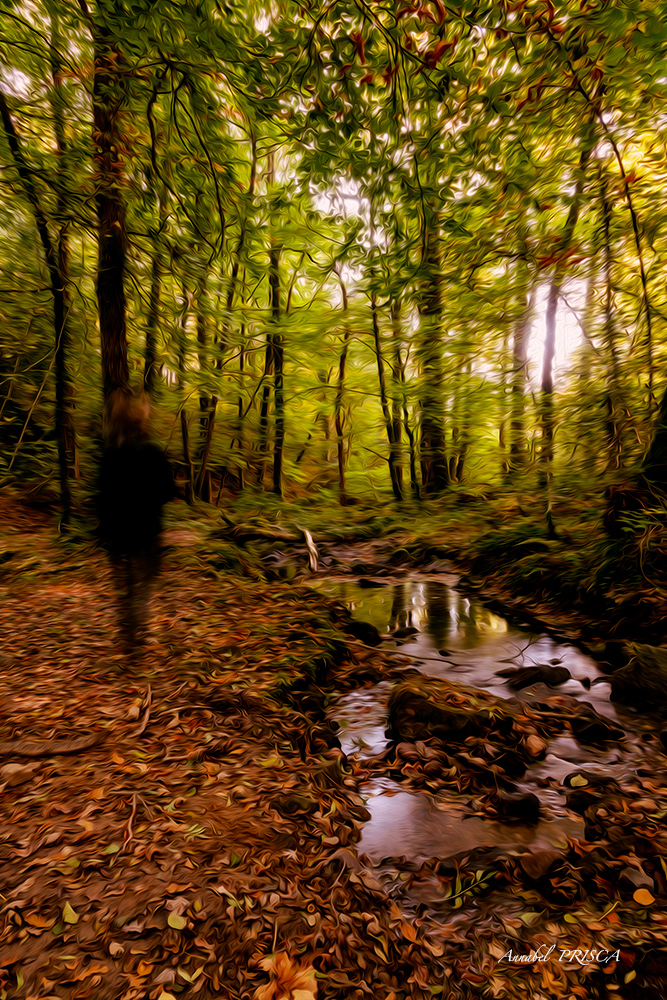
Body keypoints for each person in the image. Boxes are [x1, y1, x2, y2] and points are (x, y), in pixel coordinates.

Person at [97, 388, 176, 648]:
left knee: (125, 584)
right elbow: (168, 492)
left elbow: (102, 494)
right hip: (146, 531)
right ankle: (138, 631)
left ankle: (128, 632)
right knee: (144, 582)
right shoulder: (153, 453)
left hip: (117, 532)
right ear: (141, 423)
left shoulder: (111, 454)